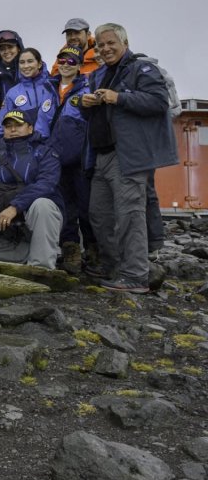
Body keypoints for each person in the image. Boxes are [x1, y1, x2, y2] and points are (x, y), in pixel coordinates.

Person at [80, 23, 179, 293]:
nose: (105, 48)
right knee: (99, 215)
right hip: (101, 155)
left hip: (129, 156)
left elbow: (158, 102)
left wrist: (119, 97)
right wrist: (86, 106)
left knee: (130, 215)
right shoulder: (100, 74)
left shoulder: (142, 69)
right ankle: (115, 269)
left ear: (124, 42)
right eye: (100, 45)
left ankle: (135, 276)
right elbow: (98, 115)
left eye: (111, 43)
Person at [0, 109, 63, 270]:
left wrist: (15, 207)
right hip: (9, 226)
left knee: (42, 204)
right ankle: (31, 258)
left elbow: (46, 184)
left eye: (18, 125)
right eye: (8, 126)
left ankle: (41, 267)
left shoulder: (46, 153)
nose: (13, 129)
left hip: (39, 219)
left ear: (30, 128)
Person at [48, 46, 93, 273]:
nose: (66, 64)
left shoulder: (88, 87)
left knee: (86, 206)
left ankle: (94, 250)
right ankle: (70, 249)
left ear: (79, 64)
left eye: (72, 61)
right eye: (62, 59)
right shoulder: (49, 87)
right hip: (55, 158)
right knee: (65, 207)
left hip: (80, 159)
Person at [0, 48, 57, 140]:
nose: (26, 66)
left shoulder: (53, 86)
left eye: (30, 61)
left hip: (51, 145)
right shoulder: (13, 93)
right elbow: (2, 126)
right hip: (24, 148)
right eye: (22, 62)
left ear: (39, 64)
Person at [0, 29, 24, 97]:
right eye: (2, 49)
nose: (6, 51)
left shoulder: (31, 69)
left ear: (18, 48)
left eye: (10, 47)